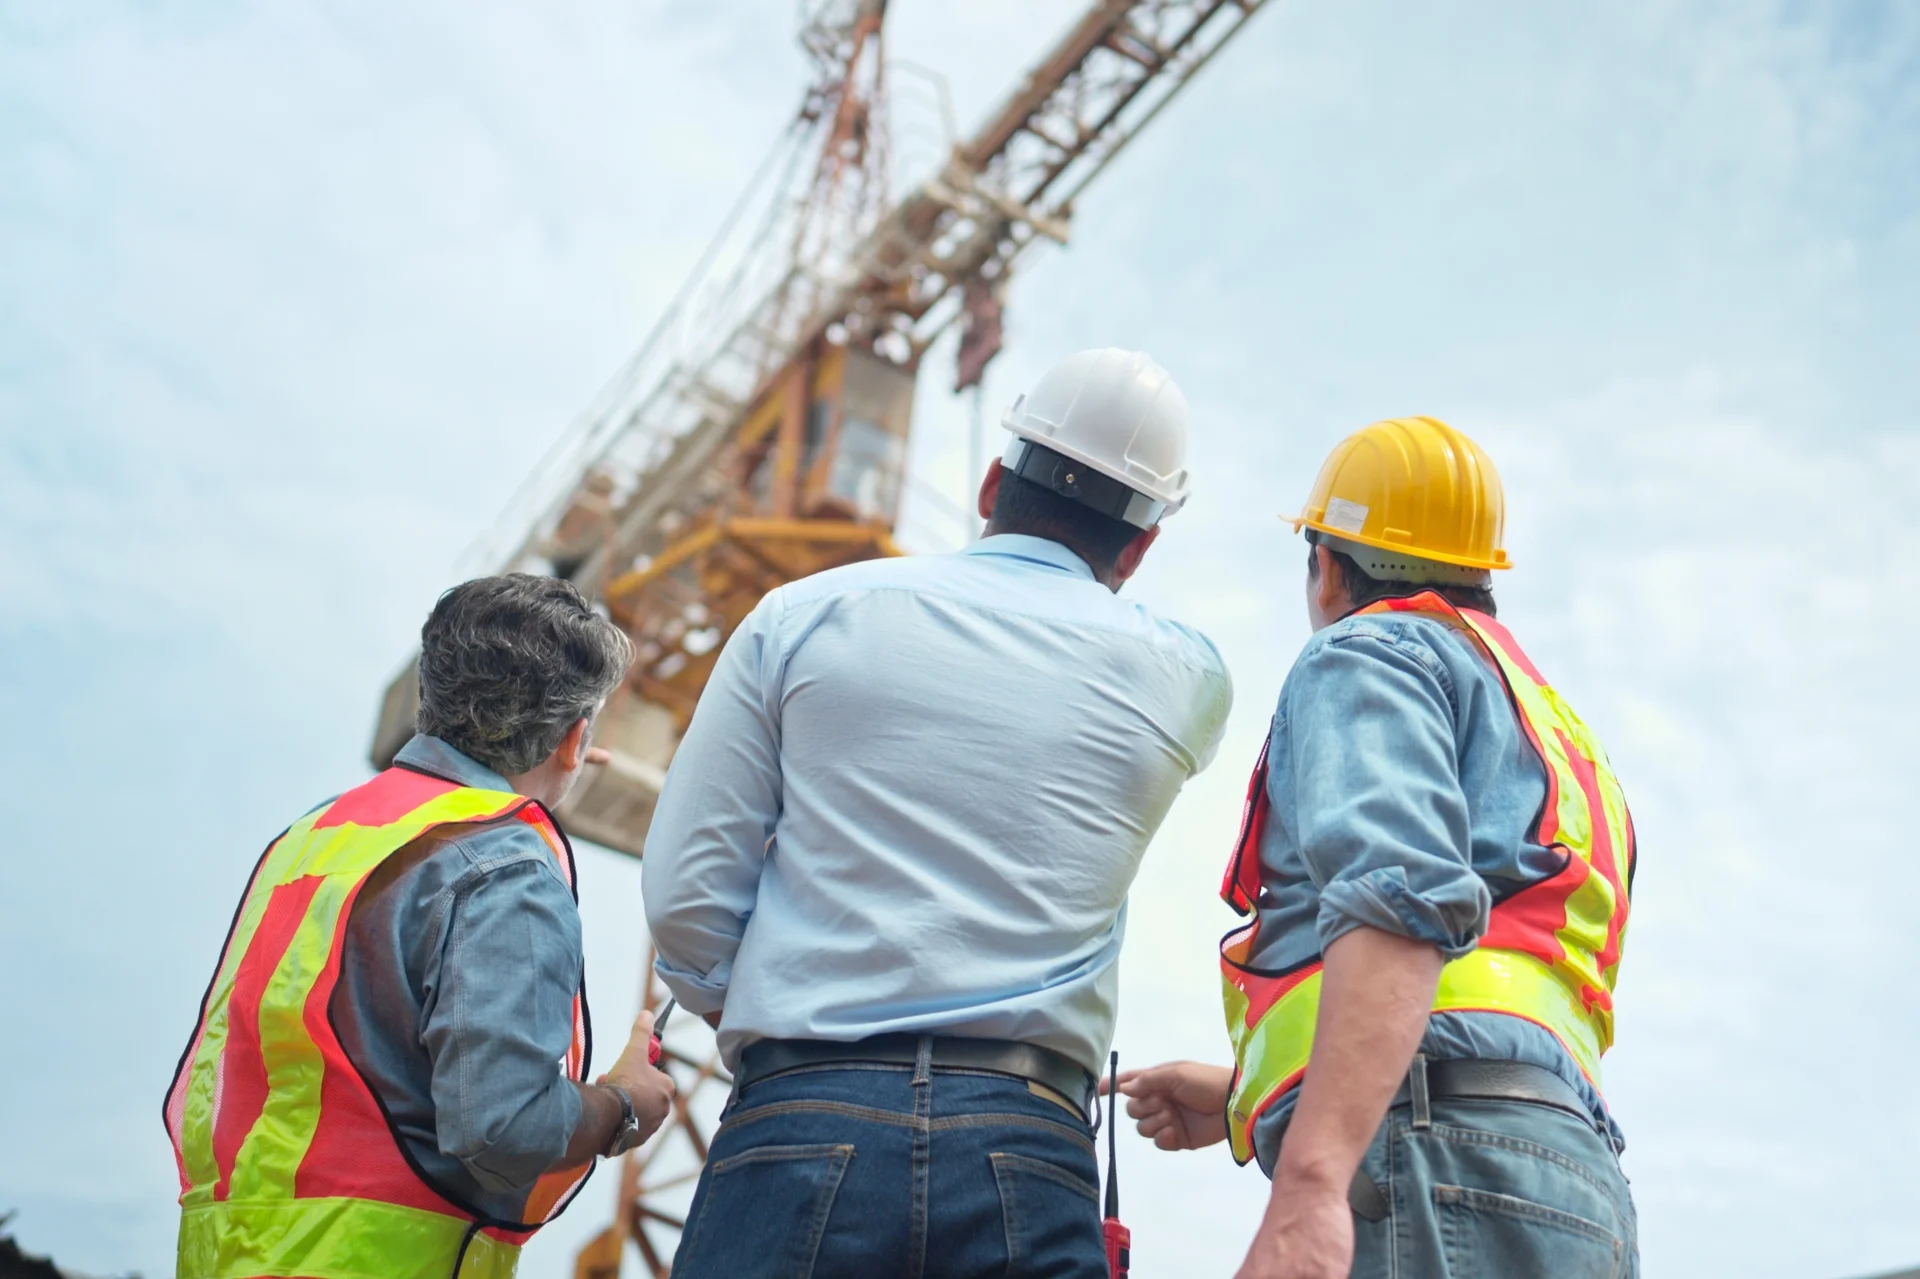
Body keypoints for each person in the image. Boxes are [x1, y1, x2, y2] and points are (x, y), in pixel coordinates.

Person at [642, 349, 1233, 1278]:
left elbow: (686, 893)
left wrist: (793, 1017)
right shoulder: (1188, 674)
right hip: (1026, 1142)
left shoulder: (798, 615)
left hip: (799, 1113)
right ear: (1141, 545)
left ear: (994, 479)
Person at [1119, 417, 1639, 1278]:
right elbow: (1500, 984)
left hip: (1438, 1152)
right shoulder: (1560, 736)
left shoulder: (1369, 651)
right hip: (1570, 1181)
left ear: (1326, 567)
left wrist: (1313, 1183)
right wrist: (1246, 1090)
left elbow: (1402, 903)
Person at [163, 574, 676, 1279]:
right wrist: (622, 1105)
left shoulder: (319, 836)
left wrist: (544, 781)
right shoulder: (505, 865)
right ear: (575, 737)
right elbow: (505, 1127)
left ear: (430, 695)